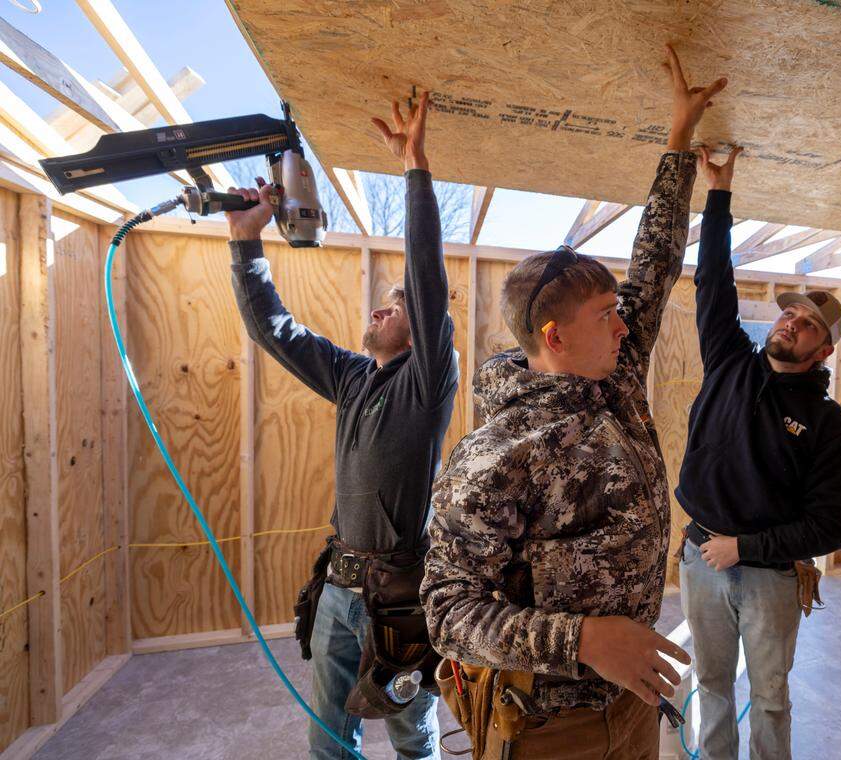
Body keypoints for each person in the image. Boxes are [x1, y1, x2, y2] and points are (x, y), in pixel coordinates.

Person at [420, 45, 726, 759]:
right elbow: (447, 611)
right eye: (607, 317)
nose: (627, 325)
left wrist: (677, 142)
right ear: (553, 336)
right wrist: (584, 640)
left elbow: (653, 264)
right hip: (548, 729)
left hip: (631, 705)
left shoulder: (610, 378)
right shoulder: (496, 455)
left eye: (620, 312)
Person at [224, 89, 456, 760]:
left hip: (402, 596)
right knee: (329, 731)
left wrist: (416, 171)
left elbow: (429, 282)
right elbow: (277, 333)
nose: (385, 309)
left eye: (399, 305)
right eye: (384, 303)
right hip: (338, 589)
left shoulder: (426, 382)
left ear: (424, 332)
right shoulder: (354, 376)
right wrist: (246, 246)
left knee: (412, 730)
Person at [674, 146, 841, 760]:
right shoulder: (729, 361)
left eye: (809, 325)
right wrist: (719, 195)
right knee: (709, 685)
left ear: (823, 351)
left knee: (772, 696)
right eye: (790, 316)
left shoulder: (829, 425)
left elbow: (832, 523)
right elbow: (712, 282)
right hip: (701, 557)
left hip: (767, 577)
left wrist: (747, 548)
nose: (791, 325)